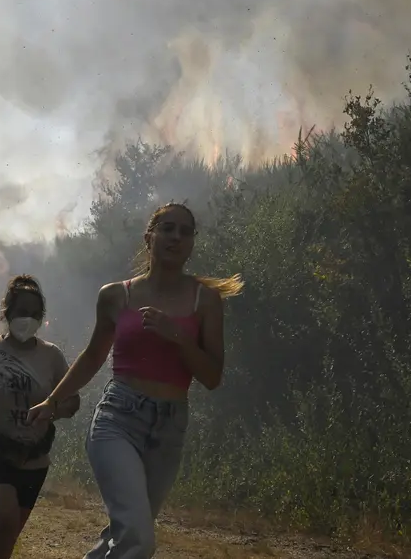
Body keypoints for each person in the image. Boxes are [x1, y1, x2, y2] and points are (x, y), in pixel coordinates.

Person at [27, 202, 243, 558]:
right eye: (167, 228)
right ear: (149, 237)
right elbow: (93, 356)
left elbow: (212, 376)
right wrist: (52, 401)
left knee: (126, 532)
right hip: (118, 419)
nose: (176, 237)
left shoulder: (206, 301)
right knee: (138, 539)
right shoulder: (116, 295)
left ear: (192, 242)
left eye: (185, 231)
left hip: (170, 427)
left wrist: (179, 337)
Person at [0, 275, 81, 559]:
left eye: (35, 314)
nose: (28, 319)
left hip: (33, 456)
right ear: (7, 312)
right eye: (22, 311)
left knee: (8, 532)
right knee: (4, 518)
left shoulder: (52, 356)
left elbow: (72, 401)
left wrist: (52, 410)